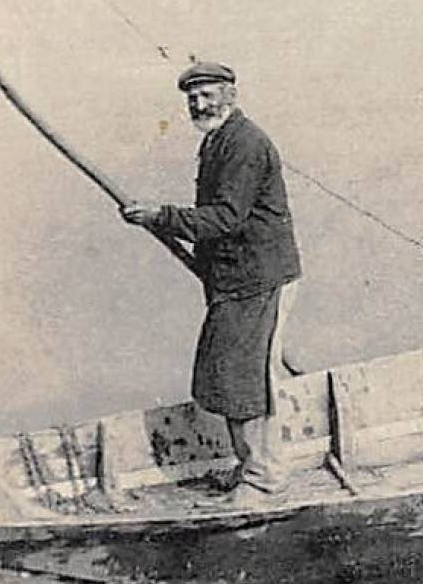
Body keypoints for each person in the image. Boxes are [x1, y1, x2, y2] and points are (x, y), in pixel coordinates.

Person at [121, 62, 302, 501]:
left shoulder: (244, 143)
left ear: (231, 96)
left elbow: (225, 216)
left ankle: (265, 479)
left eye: (208, 95)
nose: (199, 105)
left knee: (243, 381)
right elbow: (220, 217)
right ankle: (250, 467)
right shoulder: (218, 140)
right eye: (192, 98)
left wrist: (162, 216)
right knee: (223, 375)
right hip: (233, 281)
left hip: (258, 279)